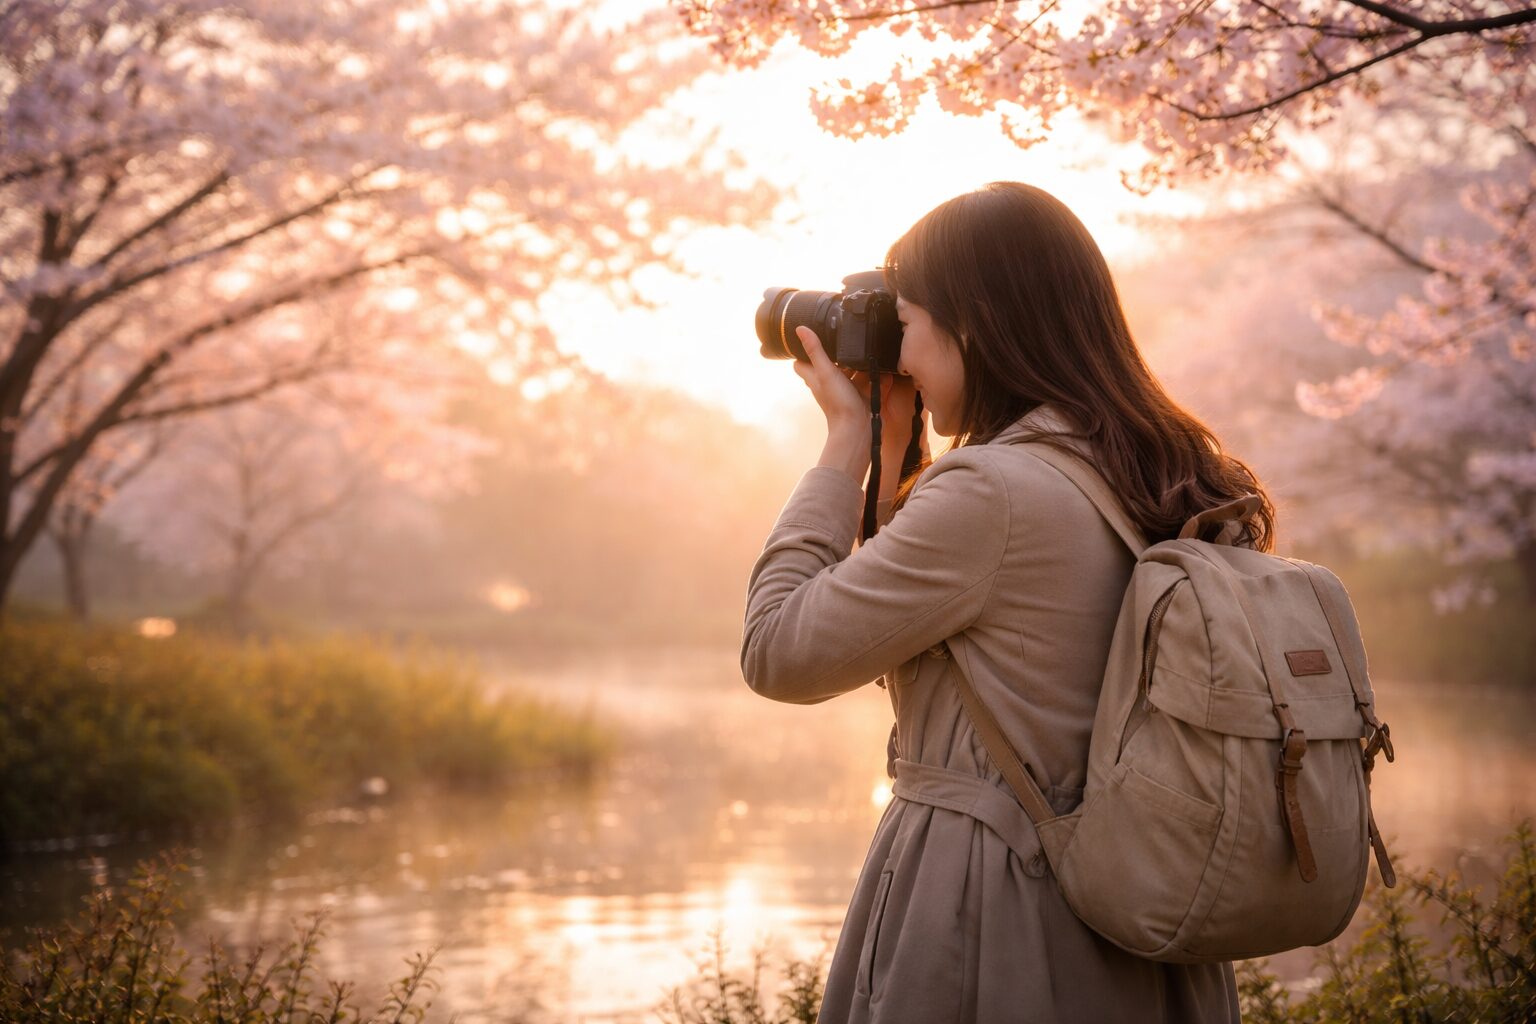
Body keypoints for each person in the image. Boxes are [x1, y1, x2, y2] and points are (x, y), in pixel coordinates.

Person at [740, 182, 1272, 1023]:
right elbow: (968, 650)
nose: (899, 352)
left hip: (995, 913)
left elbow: (778, 654)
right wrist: (894, 453)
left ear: (974, 323)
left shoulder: (992, 490)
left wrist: (844, 448)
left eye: (905, 321)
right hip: (1142, 921)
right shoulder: (1168, 470)